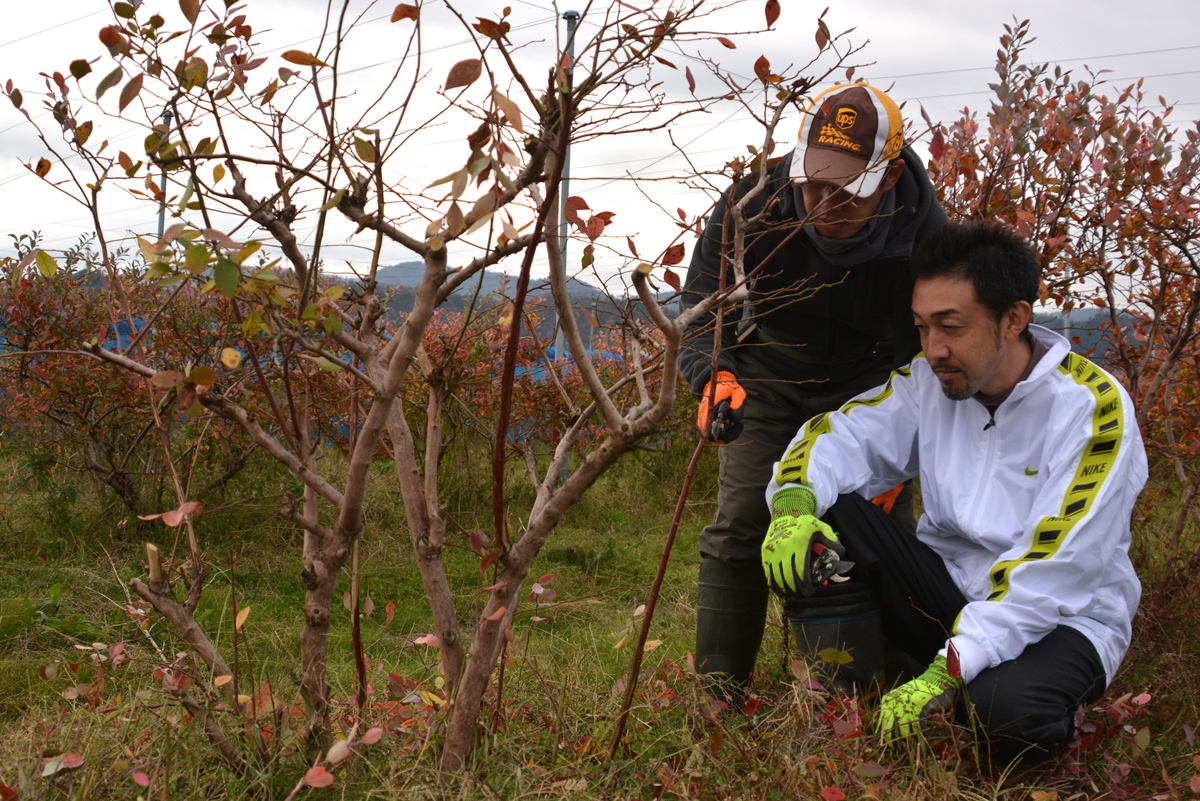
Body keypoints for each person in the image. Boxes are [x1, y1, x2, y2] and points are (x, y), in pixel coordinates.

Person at [760, 221, 1148, 761]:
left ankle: (1020, 719)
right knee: (826, 510)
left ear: (1013, 319)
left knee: (999, 715)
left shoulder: (1090, 409)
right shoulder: (928, 384)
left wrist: (951, 667)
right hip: (951, 592)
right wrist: (792, 504)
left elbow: (1056, 571)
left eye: (950, 326)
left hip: (1062, 616)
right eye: (921, 327)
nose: (934, 349)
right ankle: (847, 708)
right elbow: (839, 437)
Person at [678, 83, 948, 701]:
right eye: (813, 182)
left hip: (869, 387)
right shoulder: (754, 203)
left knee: (877, 538)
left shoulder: (927, 237)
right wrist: (712, 375)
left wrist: (899, 461)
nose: (824, 201)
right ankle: (720, 697)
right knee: (742, 523)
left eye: (845, 189)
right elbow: (698, 302)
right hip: (769, 373)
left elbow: (929, 351)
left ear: (887, 179)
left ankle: (880, 689)